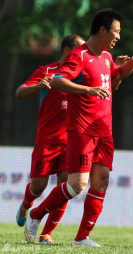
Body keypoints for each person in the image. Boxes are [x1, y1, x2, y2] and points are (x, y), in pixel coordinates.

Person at [24, 8, 133, 247]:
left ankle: (82, 237)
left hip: (105, 131)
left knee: (101, 180)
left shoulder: (105, 57)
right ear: (102, 30)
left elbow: (115, 79)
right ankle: (35, 214)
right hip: (82, 130)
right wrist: (88, 90)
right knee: (77, 185)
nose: (118, 37)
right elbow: (58, 81)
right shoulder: (79, 56)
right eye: (116, 31)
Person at [15, 34, 85, 243]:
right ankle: (26, 205)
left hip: (71, 140)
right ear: (67, 51)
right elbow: (20, 92)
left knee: (66, 186)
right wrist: (38, 87)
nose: (83, 54)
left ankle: (47, 233)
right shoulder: (47, 71)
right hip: (46, 139)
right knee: (38, 187)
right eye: (80, 50)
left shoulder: (82, 72)